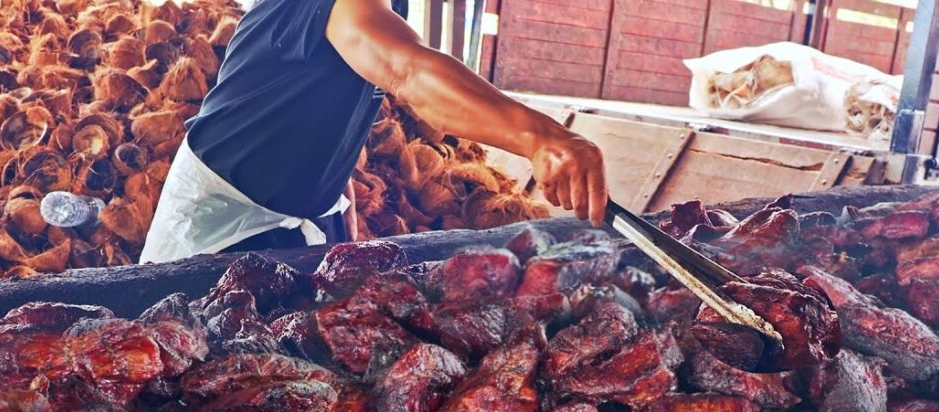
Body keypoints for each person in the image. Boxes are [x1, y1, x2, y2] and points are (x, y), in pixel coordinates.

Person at [139, 0, 609, 264]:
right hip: (216, 230)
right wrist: (541, 136)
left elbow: (309, 114)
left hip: (272, 220)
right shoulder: (327, 5)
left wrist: (336, 205)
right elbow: (408, 73)